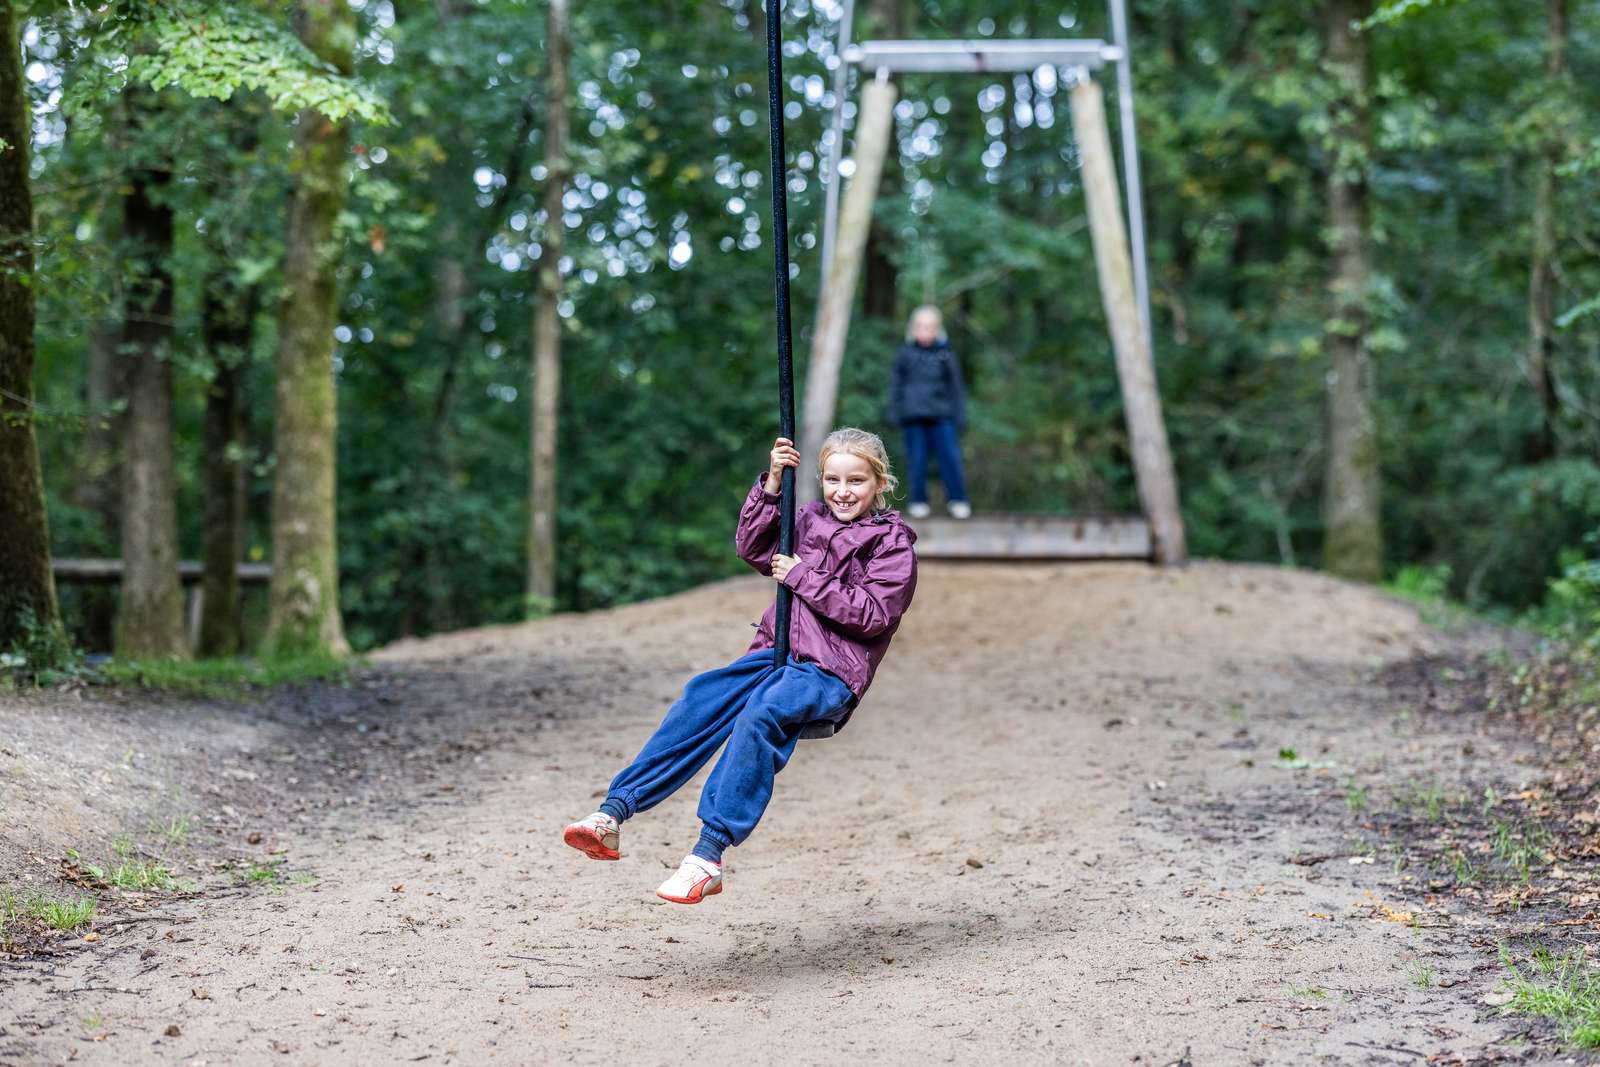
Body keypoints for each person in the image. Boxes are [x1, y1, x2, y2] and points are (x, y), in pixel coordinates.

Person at [562, 429, 919, 904]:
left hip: (830, 671)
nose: (842, 491)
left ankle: (707, 855)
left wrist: (802, 577)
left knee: (761, 713)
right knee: (702, 696)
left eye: (856, 480)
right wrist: (772, 482)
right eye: (832, 479)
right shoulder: (808, 518)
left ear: (879, 483)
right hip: (775, 653)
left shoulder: (892, 545)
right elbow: (753, 548)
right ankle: (614, 813)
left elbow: (873, 616)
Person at [887, 305, 972, 519]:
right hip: (914, 417)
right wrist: (895, 411)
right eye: (921, 327)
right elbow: (896, 385)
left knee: (950, 458)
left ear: (937, 330)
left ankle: (958, 500)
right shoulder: (905, 355)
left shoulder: (946, 355)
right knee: (917, 460)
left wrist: (959, 415)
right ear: (913, 329)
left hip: (942, 416)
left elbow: (956, 388)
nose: (925, 332)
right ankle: (918, 501)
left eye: (930, 327)